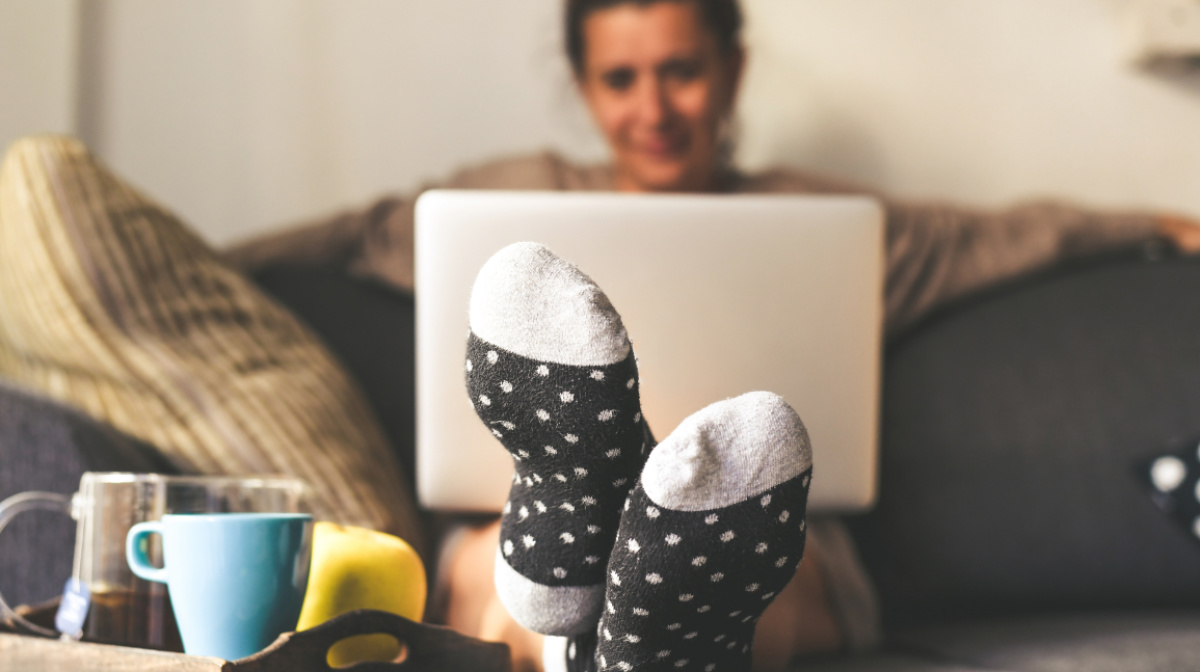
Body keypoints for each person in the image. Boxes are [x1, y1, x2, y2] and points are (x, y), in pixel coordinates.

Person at [225, 1, 1200, 669]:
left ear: (733, 70)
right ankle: (624, 601)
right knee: (486, 553)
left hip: (781, 538)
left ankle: (631, 604)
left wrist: (1148, 228)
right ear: (581, 82)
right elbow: (349, 235)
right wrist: (212, 259)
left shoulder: (832, 223)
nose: (652, 110)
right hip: (502, 522)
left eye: (682, 72)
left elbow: (998, 236)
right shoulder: (508, 194)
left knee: (776, 562)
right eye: (621, 80)